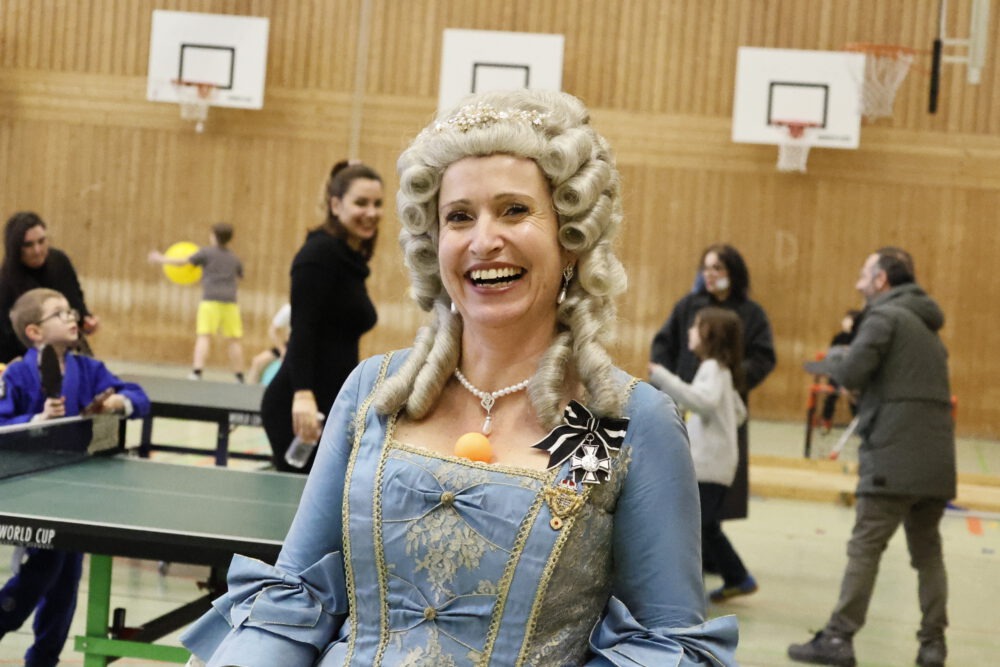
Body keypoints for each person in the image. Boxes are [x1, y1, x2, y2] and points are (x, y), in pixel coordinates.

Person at [179, 90, 738, 665]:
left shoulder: (611, 422)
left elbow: (662, 643)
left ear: (570, 238)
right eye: (459, 217)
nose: (483, 240)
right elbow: (296, 596)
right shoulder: (377, 394)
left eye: (514, 210)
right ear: (434, 242)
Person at [788, 247, 955, 667]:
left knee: (865, 548)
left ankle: (838, 638)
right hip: (936, 461)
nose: (858, 281)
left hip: (892, 457)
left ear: (881, 279)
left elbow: (851, 372)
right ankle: (933, 645)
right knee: (928, 554)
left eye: (864, 273)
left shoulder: (883, 317)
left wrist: (836, 359)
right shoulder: (927, 327)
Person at [0, 287, 150, 667]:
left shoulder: (89, 369)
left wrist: (119, 401)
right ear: (35, 331)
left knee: (66, 581)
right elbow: (2, 423)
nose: (72, 318)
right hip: (32, 492)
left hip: (79, 494)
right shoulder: (16, 374)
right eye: (61, 313)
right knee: (47, 568)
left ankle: (43, 659)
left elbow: (140, 397)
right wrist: (35, 420)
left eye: (71, 311)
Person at [260, 161, 381, 473]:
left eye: (377, 204)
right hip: (302, 408)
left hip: (332, 403)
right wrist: (302, 396)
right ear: (335, 205)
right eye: (361, 203)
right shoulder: (318, 255)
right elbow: (302, 329)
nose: (371, 212)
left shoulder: (350, 259)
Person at [651, 243, 775, 521]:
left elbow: (764, 357)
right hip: (685, 402)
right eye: (706, 268)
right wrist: (670, 384)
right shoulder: (688, 306)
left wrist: (729, 380)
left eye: (717, 268)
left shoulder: (751, 313)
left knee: (714, 491)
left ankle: (710, 536)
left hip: (722, 409)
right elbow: (663, 344)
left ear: (733, 273)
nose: (709, 274)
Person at [649, 306, 755, 602]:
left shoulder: (712, 368)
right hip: (715, 465)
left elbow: (704, 402)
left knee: (695, 527)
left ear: (711, 334)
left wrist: (663, 377)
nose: (690, 331)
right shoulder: (721, 372)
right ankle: (737, 577)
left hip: (709, 466)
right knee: (705, 527)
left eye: (696, 326)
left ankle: (685, 586)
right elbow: (738, 411)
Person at [149, 222, 246, 382]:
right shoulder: (234, 258)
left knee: (204, 336)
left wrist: (160, 258)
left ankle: (197, 372)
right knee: (234, 339)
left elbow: (183, 262)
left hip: (210, 300)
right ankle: (240, 376)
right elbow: (240, 276)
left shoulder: (206, 253)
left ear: (214, 236)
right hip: (230, 302)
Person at [0, 211, 100, 364]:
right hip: (22, 359)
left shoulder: (59, 263)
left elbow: (77, 306)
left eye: (41, 241)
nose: (37, 250)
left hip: (68, 352)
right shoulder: (5, 283)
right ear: (15, 249)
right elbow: (6, 338)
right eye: (28, 245)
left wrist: (86, 321)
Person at [818, 309, 860, 433]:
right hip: (837, 373)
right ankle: (826, 422)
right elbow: (832, 355)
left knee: (854, 398)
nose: (844, 321)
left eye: (848, 319)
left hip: (853, 375)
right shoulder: (838, 337)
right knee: (831, 394)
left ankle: (858, 424)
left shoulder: (859, 337)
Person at [246, 303, 290, 384]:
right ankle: (250, 389)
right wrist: (282, 350)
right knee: (257, 362)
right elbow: (272, 331)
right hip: (289, 345)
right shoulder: (288, 309)